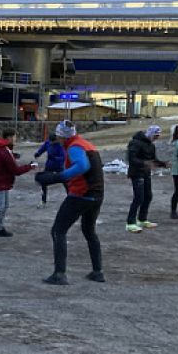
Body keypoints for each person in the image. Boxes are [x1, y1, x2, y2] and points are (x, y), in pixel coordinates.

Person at [35, 120, 105, 285]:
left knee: (58, 231)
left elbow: (82, 166)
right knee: (89, 231)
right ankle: (98, 272)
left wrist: (58, 177)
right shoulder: (86, 144)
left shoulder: (74, 147)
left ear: (62, 136)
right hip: (97, 195)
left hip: (81, 195)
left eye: (59, 136)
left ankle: (60, 274)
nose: (57, 139)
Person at [0, 129, 36, 241]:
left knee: (3, 206)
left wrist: (13, 155)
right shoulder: (4, 151)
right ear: (9, 138)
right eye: (15, 137)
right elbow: (16, 170)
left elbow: (4, 160)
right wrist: (30, 166)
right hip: (0, 182)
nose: (16, 139)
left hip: (0, 180)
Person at [125, 124, 168, 232]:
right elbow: (131, 159)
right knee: (138, 197)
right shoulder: (135, 143)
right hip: (137, 173)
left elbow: (153, 159)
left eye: (158, 136)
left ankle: (142, 219)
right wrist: (144, 163)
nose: (156, 138)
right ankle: (130, 222)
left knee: (148, 196)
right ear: (150, 133)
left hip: (146, 173)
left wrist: (163, 164)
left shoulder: (151, 145)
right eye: (156, 136)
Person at [34, 133, 65, 207]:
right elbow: (43, 147)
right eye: (50, 141)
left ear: (56, 140)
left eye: (52, 142)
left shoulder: (60, 146)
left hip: (59, 167)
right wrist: (38, 153)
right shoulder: (48, 142)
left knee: (66, 181)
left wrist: (55, 158)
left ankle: (71, 198)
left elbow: (63, 157)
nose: (51, 143)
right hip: (49, 166)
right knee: (43, 182)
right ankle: (43, 200)